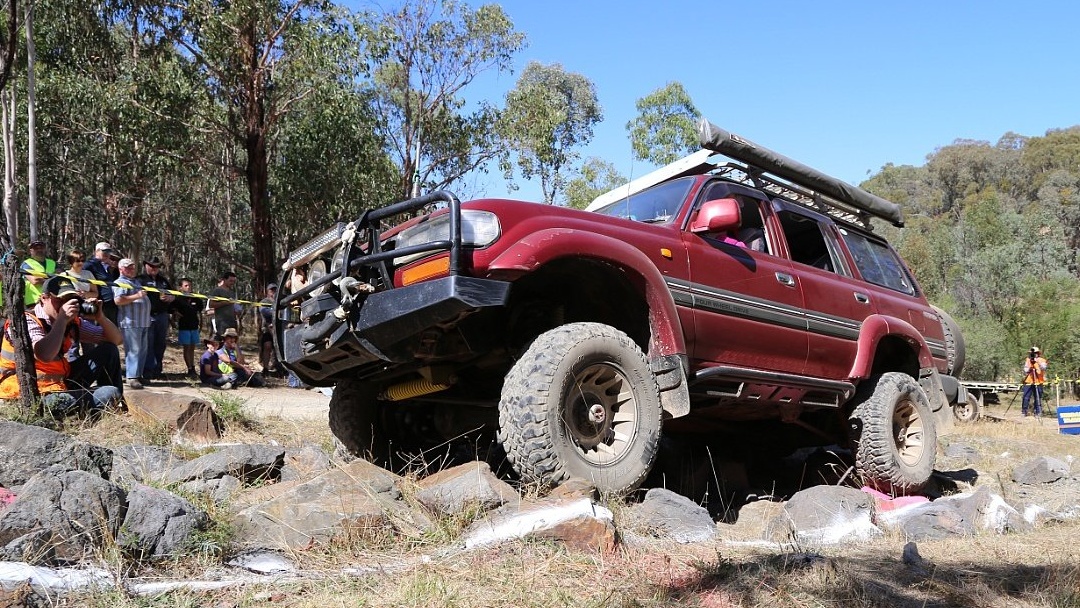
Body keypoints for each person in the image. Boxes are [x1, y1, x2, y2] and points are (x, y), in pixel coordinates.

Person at [0, 275, 124, 417]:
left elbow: (116, 340)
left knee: (108, 350)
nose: (64, 304)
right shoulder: (27, 321)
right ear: (44, 298)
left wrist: (100, 317)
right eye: (60, 299)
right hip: (28, 394)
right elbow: (44, 355)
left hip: (58, 383)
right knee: (109, 393)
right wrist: (61, 320)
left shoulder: (70, 322)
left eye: (69, 299)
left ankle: (113, 407)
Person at [114, 258, 151, 390]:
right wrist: (137, 296)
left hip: (143, 321)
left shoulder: (136, 282)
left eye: (132, 267)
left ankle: (139, 374)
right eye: (127, 267)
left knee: (142, 350)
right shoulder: (120, 282)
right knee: (133, 350)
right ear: (120, 269)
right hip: (131, 322)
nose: (131, 270)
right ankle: (131, 377)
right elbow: (118, 300)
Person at [137, 256, 175, 379]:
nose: (154, 268)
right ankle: (147, 370)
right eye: (152, 266)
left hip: (162, 316)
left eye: (157, 266)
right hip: (146, 316)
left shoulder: (163, 281)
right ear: (145, 266)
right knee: (148, 344)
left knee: (160, 343)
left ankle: (158, 369)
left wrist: (170, 298)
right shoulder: (140, 279)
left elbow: (173, 294)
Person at [84, 242, 121, 325]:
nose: (107, 254)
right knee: (99, 329)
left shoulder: (107, 266)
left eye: (109, 251)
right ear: (97, 251)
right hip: (99, 304)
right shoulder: (90, 264)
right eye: (104, 251)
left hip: (111, 304)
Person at [173, 277, 202, 378]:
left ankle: (193, 367)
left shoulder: (196, 298)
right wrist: (176, 314)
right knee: (187, 347)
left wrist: (201, 324)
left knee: (192, 348)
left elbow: (200, 310)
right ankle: (189, 368)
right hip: (184, 326)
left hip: (194, 326)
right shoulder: (178, 299)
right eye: (186, 285)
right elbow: (171, 309)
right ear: (180, 288)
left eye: (190, 285)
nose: (188, 287)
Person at [20, 240, 57, 306]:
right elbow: (35, 281)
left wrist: (42, 278)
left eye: (41, 248)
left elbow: (61, 276)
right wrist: (53, 278)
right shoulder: (27, 264)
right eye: (36, 248)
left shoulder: (52, 263)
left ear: (45, 249)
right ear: (31, 251)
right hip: (35, 301)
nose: (39, 250)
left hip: (53, 299)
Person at [256, 283, 280, 376]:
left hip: (279, 328)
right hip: (267, 328)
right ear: (267, 291)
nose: (273, 292)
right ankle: (265, 368)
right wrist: (276, 312)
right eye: (271, 290)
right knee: (267, 346)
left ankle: (279, 368)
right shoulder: (264, 301)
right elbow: (265, 312)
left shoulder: (280, 301)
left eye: (275, 290)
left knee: (279, 349)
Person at [208, 271, 238, 335]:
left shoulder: (232, 292)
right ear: (224, 280)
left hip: (232, 320)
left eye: (234, 281)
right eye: (230, 281)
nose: (232, 283)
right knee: (222, 338)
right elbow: (211, 304)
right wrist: (224, 303)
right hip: (222, 321)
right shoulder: (217, 290)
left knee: (233, 339)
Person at [1021, 346, 1048, 417]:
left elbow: (1044, 367)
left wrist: (1037, 362)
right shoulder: (1028, 360)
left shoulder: (1042, 360)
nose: (1033, 354)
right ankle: (1024, 411)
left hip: (1038, 381)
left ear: (1038, 353)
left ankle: (1038, 412)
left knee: (1037, 397)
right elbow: (1025, 370)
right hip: (1029, 381)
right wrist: (1030, 368)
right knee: (1026, 397)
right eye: (1032, 353)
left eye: (1035, 353)